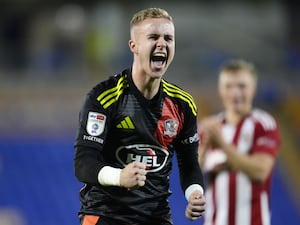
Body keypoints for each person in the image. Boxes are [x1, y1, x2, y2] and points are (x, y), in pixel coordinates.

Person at [74, 8, 206, 225]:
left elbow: (189, 163)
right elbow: (83, 163)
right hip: (106, 215)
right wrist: (119, 177)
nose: (162, 43)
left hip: (156, 217)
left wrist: (194, 193)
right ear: (133, 46)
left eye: (168, 38)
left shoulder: (183, 104)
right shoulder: (105, 97)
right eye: (153, 37)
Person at [198, 59, 281, 225]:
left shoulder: (263, 124)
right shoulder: (209, 126)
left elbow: (260, 171)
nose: (235, 93)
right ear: (220, 90)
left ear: (253, 89)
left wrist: (222, 145)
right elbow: (194, 173)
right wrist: (206, 145)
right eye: (229, 86)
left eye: (242, 86)